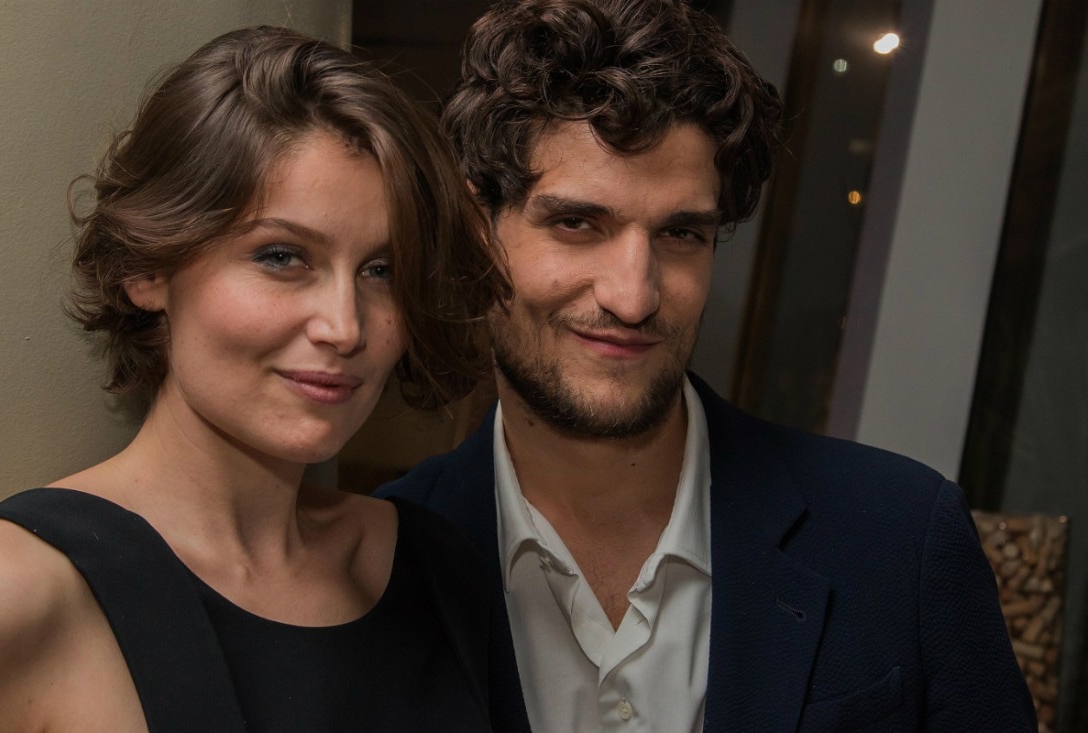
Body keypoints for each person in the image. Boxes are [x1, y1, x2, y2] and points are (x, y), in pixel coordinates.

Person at [377, 1, 1037, 730]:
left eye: (680, 234)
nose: (633, 296)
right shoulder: (378, 566)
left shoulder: (902, 539)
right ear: (477, 233)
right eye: (577, 223)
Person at [0, 26, 504, 732]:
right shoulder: (18, 589)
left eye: (380, 270)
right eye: (282, 256)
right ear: (147, 267)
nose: (345, 326)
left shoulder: (433, 564)